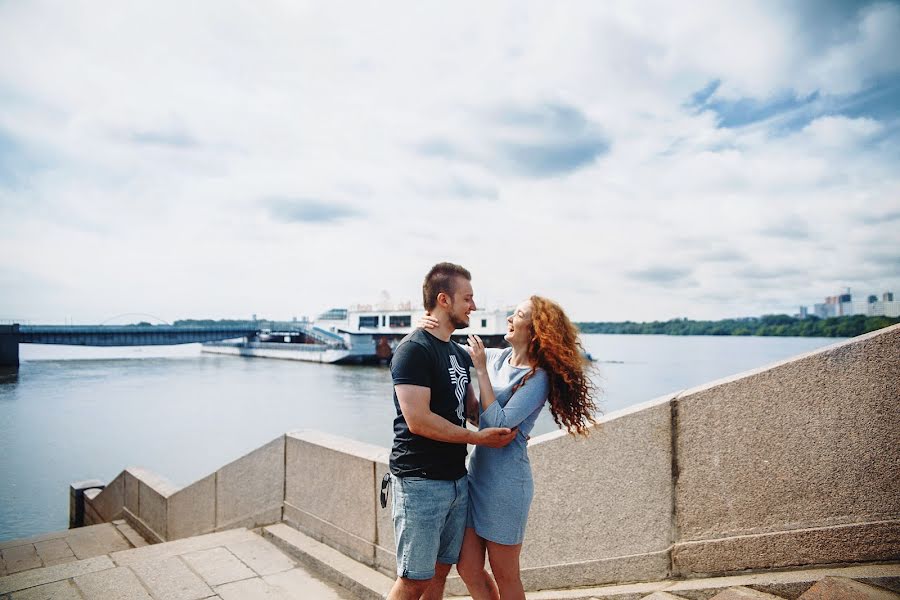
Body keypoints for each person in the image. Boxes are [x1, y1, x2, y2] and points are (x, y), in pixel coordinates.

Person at [419, 296, 597, 600]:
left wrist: (481, 372)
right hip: (476, 479)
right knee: (468, 568)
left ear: (536, 329)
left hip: (507, 486)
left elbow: (497, 424)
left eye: (518, 315)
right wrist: (427, 328)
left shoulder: (537, 378)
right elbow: (445, 353)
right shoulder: (498, 357)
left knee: (506, 575)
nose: (510, 320)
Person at [387, 262, 519, 600]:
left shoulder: (458, 354)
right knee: (414, 579)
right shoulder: (413, 350)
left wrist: (515, 416)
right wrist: (477, 438)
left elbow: (471, 411)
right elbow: (418, 420)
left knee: (439, 575)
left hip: (457, 481)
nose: (473, 307)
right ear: (444, 300)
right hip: (419, 483)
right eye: (468, 299)